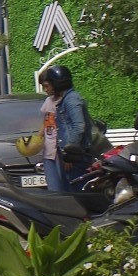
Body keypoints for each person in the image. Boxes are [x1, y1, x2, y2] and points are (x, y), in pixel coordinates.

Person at [39, 63, 93, 194]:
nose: (47, 89)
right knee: (69, 191)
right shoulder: (65, 99)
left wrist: (70, 153)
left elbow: (79, 126)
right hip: (69, 154)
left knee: (76, 193)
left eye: (48, 85)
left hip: (76, 156)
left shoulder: (71, 100)